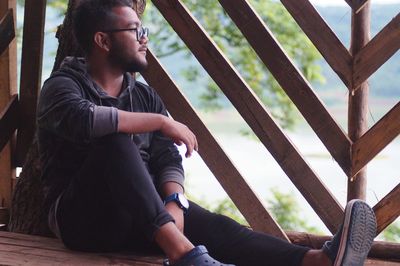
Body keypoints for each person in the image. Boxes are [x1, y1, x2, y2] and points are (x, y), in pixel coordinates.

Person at [37, 0, 377, 265]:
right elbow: (86, 121)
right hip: (82, 221)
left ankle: (316, 261)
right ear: (103, 40)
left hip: (142, 214)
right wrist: (161, 122)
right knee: (113, 140)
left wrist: (173, 199)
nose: (144, 40)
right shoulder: (64, 87)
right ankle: (185, 256)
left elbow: (166, 154)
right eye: (135, 31)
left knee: (218, 228)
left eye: (145, 31)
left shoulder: (142, 95)